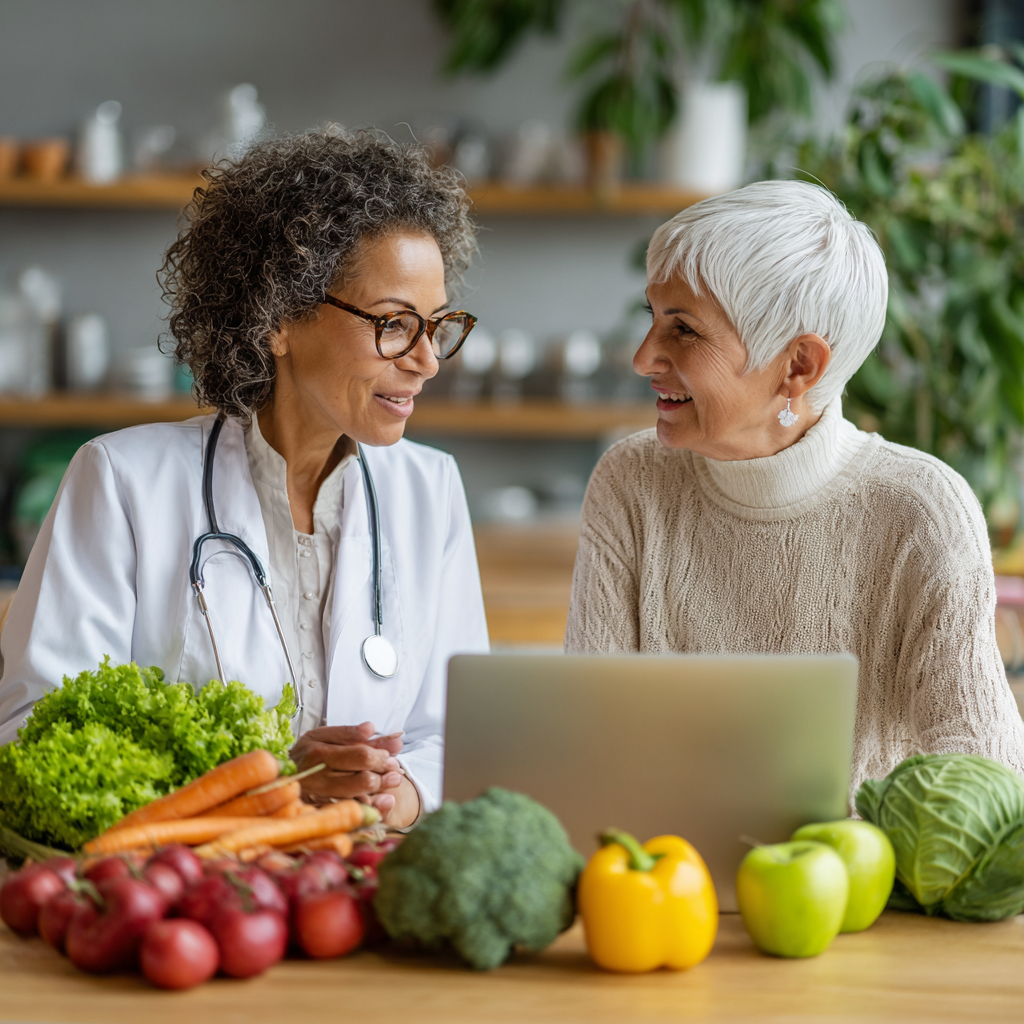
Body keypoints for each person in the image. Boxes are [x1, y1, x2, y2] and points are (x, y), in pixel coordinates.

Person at [0, 129, 490, 827]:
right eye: (393, 324)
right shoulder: (119, 482)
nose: (427, 361)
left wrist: (397, 790)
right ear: (279, 317)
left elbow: (458, 733)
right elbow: (36, 734)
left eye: (438, 325)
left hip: (357, 890)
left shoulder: (430, 490)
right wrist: (274, 779)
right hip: (190, 898)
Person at [566, 180, 1024, 795]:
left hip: (859, 888)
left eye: (684, 330)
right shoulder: (632, 480)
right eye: (654, 318)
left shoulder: (922, 511)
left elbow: (988, 787)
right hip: (657, 877)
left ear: (799, 365)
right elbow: (586, 741)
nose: (644, 356)